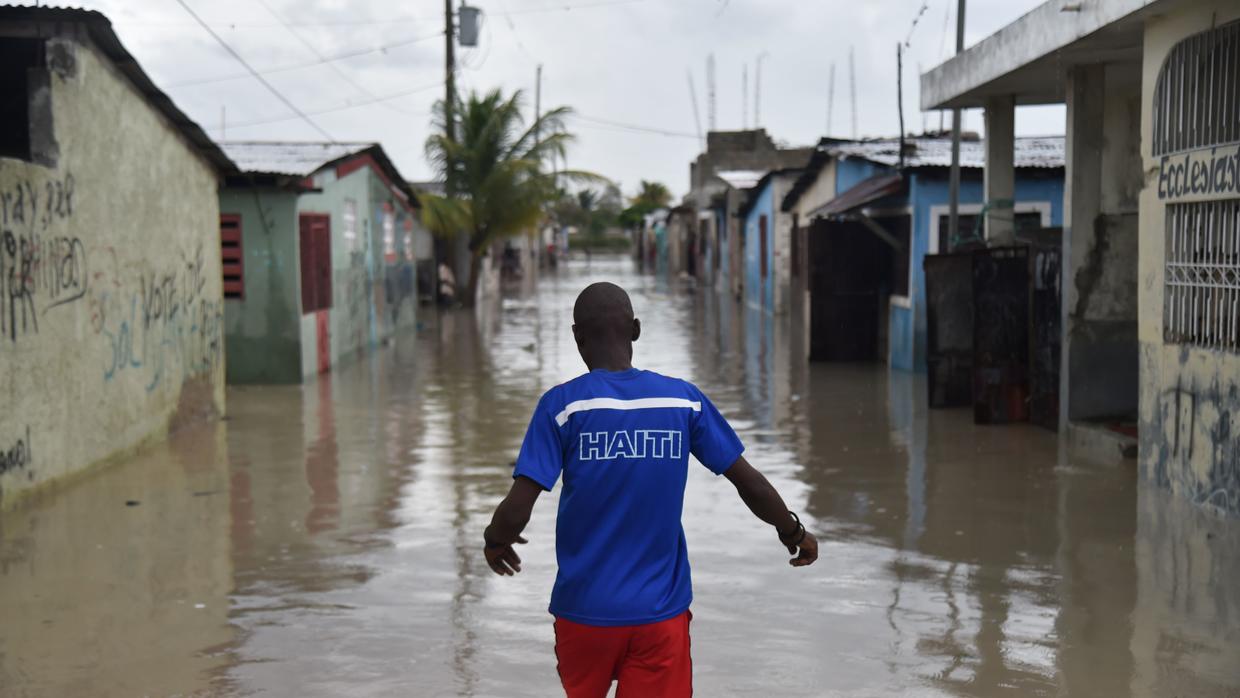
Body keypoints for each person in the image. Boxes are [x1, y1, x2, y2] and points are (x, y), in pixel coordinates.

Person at [482, 281, 818, 697]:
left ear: (577, 337)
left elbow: (517, 509)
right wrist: (793, 531)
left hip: (583, 615)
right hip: (659, 615)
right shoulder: (683, 403)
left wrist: (494, 541)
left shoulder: (562, 407)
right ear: (636, 330)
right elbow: (750, 483)